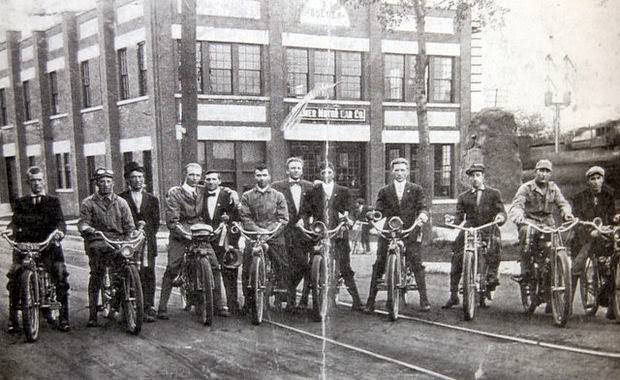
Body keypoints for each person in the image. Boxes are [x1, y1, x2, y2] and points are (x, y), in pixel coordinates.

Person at [158, 163, 227, 319]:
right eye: (191, 175)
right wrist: (185, 234)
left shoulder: (203, 190)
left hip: (200, 232)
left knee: (215, 265)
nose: (195, 178)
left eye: (197, 175)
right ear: (185, 175)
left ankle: (219, 304)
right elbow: (172, 221)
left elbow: (219, 190)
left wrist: (230, 191)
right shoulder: (175, 193)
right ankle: (162, 307)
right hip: (180, 232)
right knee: (172, 267)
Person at [5, 166, 70, 333]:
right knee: (14, 278)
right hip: (25, 248)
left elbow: (60, 222)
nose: (37, 183)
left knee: (60, 275)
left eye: (40, 180)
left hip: (48, 247)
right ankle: (13, 320)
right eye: (33, 180)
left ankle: (63, 318)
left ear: (43, 181)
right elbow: (15, 222)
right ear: (28, 182)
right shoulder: (20, 202)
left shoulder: (52, 201)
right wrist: (10, 230)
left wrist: (59, 233)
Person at [365, 157, 430, 312]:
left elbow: (423, 206)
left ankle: (424, 299)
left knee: (416, 262)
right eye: (396, 170)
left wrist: (422, 216)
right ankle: (370, 301)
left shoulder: (416, 189)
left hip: (409, 230)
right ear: (392, 172)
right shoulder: (385, 190)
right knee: (379, 262)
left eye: (402, 170)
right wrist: (374, 215)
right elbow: (379, 209)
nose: (399, 173)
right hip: (390, 230)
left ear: (407, 172)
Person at [300, 161, 363, 311]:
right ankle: (303, 300)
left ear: (333, 173)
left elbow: (352, 210)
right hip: (319, 232)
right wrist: (302, 221)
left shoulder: (343, 191)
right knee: (312, 265)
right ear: (319, 175)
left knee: (344, 265)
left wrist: (349, 220)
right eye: (323, 173)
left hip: (338, 231)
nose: (326, 175)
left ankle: (357, 300)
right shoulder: (313, 191)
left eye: (329, 172)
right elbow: (305, 210)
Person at [442, 164, 507, 308]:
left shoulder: (493, 193)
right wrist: (452, 220)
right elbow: (459, 217)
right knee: (457, 254)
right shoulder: (463, 197)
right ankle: (453, 294)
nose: (475, 179)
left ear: (483, 177)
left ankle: (489, 284)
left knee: (493, 251)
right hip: (470, 228)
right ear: (469, 178)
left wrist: (500, 217)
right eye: (472, 176)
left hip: (488, 227)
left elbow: (501, 211)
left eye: (478, 175)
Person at [78, 167, 136, 327]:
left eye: (108, 181)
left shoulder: (121, 202)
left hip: (117, 241)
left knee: (128, 268)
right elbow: (83, 223)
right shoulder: (88, 202)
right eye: (102, 181)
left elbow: (129, 225)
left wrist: (130, 236)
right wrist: (87, 229)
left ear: (113, 183)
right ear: (97, 183)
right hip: (98, 240)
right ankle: (92, 314)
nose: (105, 184)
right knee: (96, 274)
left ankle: (122, 304)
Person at [508, 159, 574, 293]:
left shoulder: (553, 188)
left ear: (550, 174)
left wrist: (567, 213)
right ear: (535, 172)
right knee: (525, 234)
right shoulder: (526, 188)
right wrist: (519, 216)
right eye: (541, 171)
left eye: (547, 171)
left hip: (547, 222)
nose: (544, 174)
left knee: (556, 244)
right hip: (530, 221)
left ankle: (556, 271)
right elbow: (517, 205)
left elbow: (563, 203)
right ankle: (525, 272)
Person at [570, 166, 619, 319]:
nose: (596, 182)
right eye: (593, 179)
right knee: (578, 264)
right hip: (585, 237)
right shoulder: (579, 198)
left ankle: (613, 305)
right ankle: (567, 301)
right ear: (588, 181)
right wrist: (589, 232)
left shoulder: (608, 195)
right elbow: (576, 222)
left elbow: (611, 215)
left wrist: (616, 218)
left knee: (612, 262)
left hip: (603, 236)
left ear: (603, 180)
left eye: (599, 178)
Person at [239, 164, 289, 311]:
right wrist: (258, 230)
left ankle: (280, 296)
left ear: (269, 177)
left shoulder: (278, 196)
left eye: (264, 175)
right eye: (258, 175)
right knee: (247, 266)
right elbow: (245, 217)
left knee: (282, 263)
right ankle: (248, 302)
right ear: (254, 177)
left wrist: (268, 231)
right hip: (254, 236)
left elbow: (283, 218)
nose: (261, 178)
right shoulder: (247, 196)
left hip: (273, 235)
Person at [118, 162, 161, 323]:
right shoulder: (121, 198)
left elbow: (155, 223)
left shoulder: (152, 199)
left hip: (147, 242)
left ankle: (148, 306)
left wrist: (144, 232)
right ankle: (126, 306)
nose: (137, 180)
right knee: (126, 273)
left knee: (148, 273)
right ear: (128, 180)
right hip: (127, 242)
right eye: (133, 177)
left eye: (140, 177)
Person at [271, 157, 314, 310]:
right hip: (283, 232)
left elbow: (312, 207)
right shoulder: (277, 186)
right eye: (293, 168)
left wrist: (303, 218)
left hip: (302, 234)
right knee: (284, 265)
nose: (296, 170)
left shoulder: (310, 187)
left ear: (302, 170)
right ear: (287, 170)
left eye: (298, 168)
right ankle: (288, 300)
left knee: (302, 265)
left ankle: (291, 295)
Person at [202, 170, 241, 315]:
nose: (211, 182)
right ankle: (215, 304)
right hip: (207, 239)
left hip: (226, 240)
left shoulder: (228, 195)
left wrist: (232, 242)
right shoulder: (201, 195)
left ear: (219, 181)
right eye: (208, 180)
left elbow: (236, 219)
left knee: (229, 271)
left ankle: (233, 304)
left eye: (213, 179)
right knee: (211, 271)